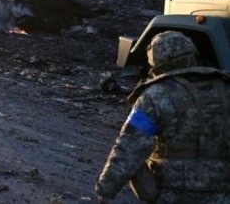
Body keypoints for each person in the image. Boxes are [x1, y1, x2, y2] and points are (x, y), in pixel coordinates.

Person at [95, 30, 230, 203]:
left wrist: (106, 188)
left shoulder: (154, 95)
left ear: (157, 63)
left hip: (174, 193)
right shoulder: (224, 88)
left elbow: (130, 145)